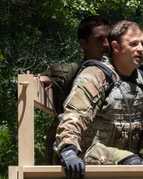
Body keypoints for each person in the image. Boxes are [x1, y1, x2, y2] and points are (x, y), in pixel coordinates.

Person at [54, 20, 143, 179]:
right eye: (134, 44)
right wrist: (68, 150)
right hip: (93, 156)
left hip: (132, 159)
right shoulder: (94, 76)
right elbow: (74, 116)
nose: (141, 49)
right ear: (116, 47)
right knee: (132, 163)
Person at [39, 15, 112, 164]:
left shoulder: (125, 73)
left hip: (111, 157)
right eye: (99, 39)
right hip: (76, 157)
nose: (106, 45)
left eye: (109, 39)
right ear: (84, 44)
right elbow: (31, 85)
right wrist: (40, 82)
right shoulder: (73, 72)